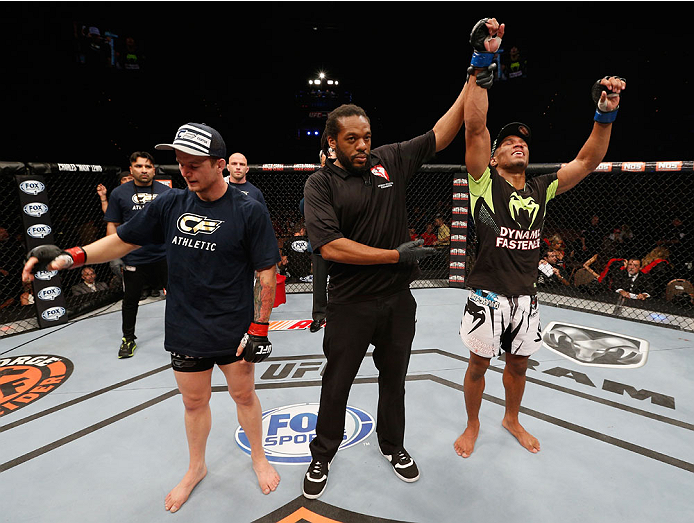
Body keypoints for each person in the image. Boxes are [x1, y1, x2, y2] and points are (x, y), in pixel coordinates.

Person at [23, 122, 281, 512]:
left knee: (244, 394)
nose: (186, 171)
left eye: (194, 163)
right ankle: (196, 467)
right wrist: (70, 257)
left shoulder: (249, 210)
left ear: (220, 164)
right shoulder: (170, 204)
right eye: (180, 164)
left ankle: (258, 457)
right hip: (185, 325)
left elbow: (266, 271)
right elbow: (122, 239)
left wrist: (259, 327)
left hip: (233, 325)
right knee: (194, 404)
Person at [301, 47, 470, 497]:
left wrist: (475, 71)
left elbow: (442, 132)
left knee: (394, 381)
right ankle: (322, 455)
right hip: (351, 303)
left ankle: (393, 445)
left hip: (397, 302)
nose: (362, 145)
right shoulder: (320, 184)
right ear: (332, 141)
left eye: (366, 136)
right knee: (337, 383)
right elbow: (331, 247)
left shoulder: (389, 160)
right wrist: (395, 256)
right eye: (352, 139)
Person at [455, 17, 625, 458]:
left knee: (518, 364)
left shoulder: (541, 187)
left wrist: (604, 113)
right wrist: (482, 62)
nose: (518, 144)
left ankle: (511, 418)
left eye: (523, 142)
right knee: (478, 365)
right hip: (486, 295)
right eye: (508, 141)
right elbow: (474, 127)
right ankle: (472, 424)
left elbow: (588, 161)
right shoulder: (481, 181)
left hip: (526, 296)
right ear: (492, 158)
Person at [103, 152, 170, 358]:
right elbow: (112, 224)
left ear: (154, 170)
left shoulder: (166, 192)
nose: (144, 170)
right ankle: (128, 338)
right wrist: (114, 252)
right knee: (130, 300)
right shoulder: (119, 193)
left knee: (177, 297)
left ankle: (180, 334)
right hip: (134, 257)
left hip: (163, 255)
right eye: (139, 166)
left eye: (148, 166)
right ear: (131, 170)